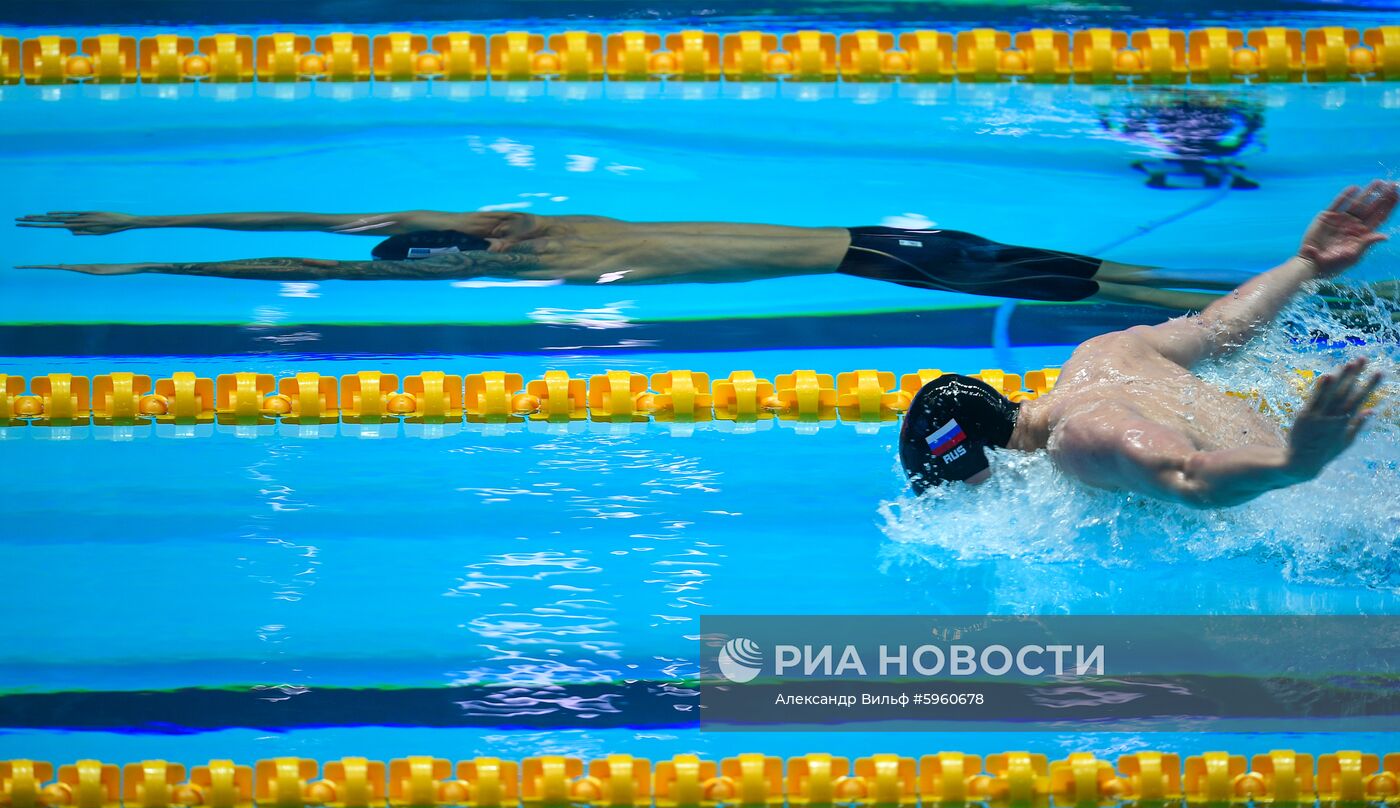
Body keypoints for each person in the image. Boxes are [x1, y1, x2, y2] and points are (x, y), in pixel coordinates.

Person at [898, 180, 1395, 508]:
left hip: (1319, 515)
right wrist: (1305, 264)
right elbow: (1219, 327)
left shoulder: (1081, 439)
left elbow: (1192, 478)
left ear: (984, 462)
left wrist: (1293, 465)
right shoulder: (1103, 354)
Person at [17, 207, 1269, 311]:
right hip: (882, 244)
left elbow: (331, 258)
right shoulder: (524, 237)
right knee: (1091, 280)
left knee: (1088, 289)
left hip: (880, 267)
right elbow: (330, 241)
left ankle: (1273, 302)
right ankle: (1261, 296)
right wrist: (140, 238)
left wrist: (143, 264)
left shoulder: (521, 259)